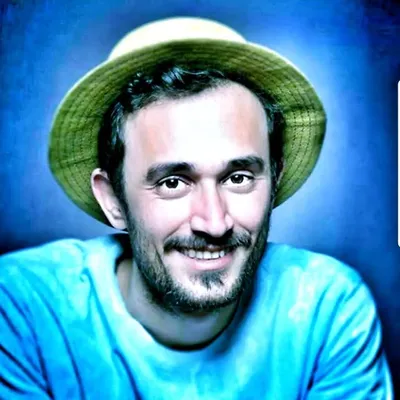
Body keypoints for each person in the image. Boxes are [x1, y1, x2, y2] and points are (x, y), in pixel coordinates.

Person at [0, 17, 393, 399]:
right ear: (113, 200)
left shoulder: (326, 310)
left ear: (274, 181)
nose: (214, 222)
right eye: (173, 182)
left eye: (238, 178)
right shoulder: (24, 309)